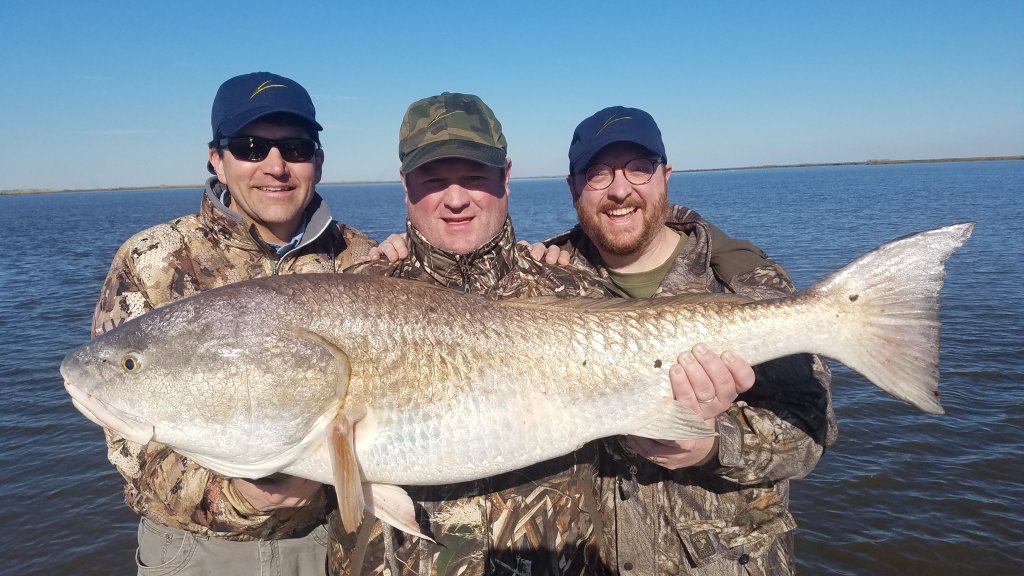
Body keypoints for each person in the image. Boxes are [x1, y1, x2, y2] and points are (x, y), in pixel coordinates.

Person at [332, 92, 640, 576]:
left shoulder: (580, 293)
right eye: (433, 180)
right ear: (405, 185)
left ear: (506, 177)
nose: (456, 199)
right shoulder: (348, 300)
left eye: (475, 177)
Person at [528, 106, 836, 575]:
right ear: (573, 187)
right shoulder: (542, 279)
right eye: (597, 174)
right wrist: (391, 256)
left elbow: (812, 431)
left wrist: (712, 446)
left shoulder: (746, 281)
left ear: (665, 176)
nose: (619, 189)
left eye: (638, 168)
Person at [91, 71, 376, 574]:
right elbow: (126, 437)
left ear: (319, 161)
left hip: (326, 546)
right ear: (216, 159)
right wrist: (238, 496)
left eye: (295, 147)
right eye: (249, 147)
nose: (275, 166)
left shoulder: (363, 259)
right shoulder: (152, 260)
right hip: (195, 552)